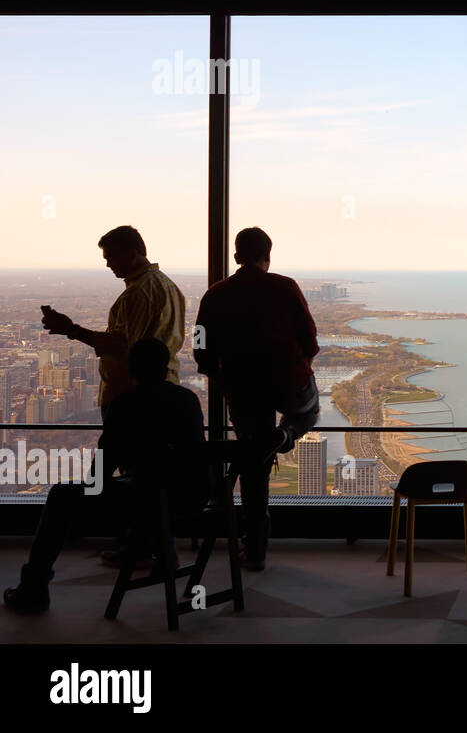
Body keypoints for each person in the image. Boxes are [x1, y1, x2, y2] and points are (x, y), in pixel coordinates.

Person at [3, 338, 209, 614]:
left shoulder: (126, 403)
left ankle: (34, 586)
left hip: (150, 501)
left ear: (131, 369)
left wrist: (91, 492)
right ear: (166, 367)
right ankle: (164, 549)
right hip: (193, 498)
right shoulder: (188, 399)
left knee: (62, 496)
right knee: (155, 487)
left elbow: (102, 468)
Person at [194, 227, 319, 571]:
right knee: (309, 413)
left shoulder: (215, 295)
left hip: (243, 387)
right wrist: (300, 364)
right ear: (269, 255)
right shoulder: (285, 286)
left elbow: (201, 350)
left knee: (254, 465)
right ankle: (288, 434)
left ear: (235, 257)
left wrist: (222, 378)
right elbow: (309, 339)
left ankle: (256, 549)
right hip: (288, 379)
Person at [39, 225, 186, 411]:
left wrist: (71, 330)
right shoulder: (168, 286)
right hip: (166, 384)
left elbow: (123, 345)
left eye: (111, 257)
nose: (108, 265)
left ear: (132, 255)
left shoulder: (138, 293)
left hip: (132, 395)